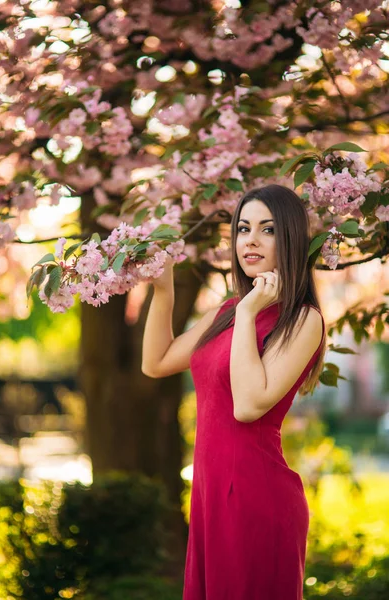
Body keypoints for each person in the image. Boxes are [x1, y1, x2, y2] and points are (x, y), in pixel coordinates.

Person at [141, 184, 326, 600]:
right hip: (211, 496)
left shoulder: (301, 320)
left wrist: (248, 311)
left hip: (257, 498)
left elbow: (247, 405)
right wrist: (163, 290)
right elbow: (156, 363)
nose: (251, 241)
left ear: (291, 238)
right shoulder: (228, 311)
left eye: (268, 229)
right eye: (243, 229)